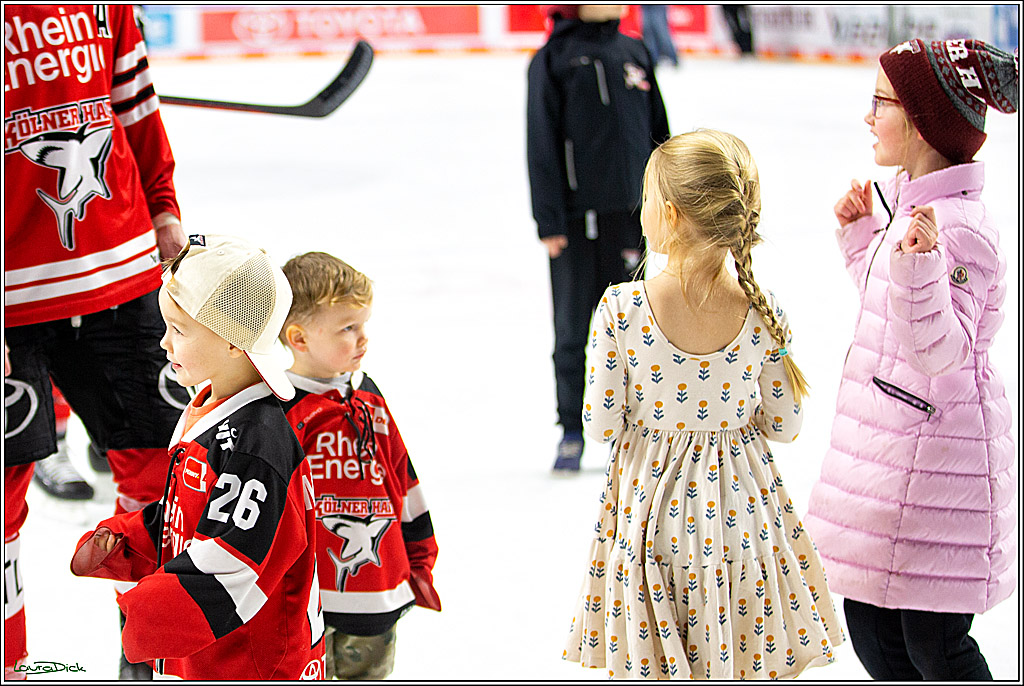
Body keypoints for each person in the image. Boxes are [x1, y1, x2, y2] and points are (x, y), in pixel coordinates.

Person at [562, 129, 844, 678]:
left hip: (652, 525)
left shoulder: (622, 310)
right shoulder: (761, 312)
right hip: (742, 522)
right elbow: (785, 425)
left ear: (666, 213)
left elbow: (599, 424)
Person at [804, 39, 1018, 680]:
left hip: (934, 472)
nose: (868, 117)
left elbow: (939, 351)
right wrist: (863, 243)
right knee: (874, 636)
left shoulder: (959, 229)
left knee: (933, 646)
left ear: (923, 119)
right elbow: (894, 322)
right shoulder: (912, 208)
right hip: (886, 457)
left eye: (881, 103)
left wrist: (918, 264)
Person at [3, 4, 190, 679]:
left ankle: (152, 656)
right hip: (10, 300)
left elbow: (135, 105)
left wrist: (164, 204)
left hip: (119, 275)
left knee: (164, 477)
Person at [69, 234, 326, 679]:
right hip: (207, 651)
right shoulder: (211, 408)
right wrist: (127, 541)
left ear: (233, 341)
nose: (164, 344)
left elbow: (236, 558)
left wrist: (149, 610)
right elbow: (189, 514)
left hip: (251, 663)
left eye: (179, 330)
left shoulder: (256, 443)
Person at [278, 251, 441, 680]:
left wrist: (420, 557)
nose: (363, 338)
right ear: (299, 338)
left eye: (363, 325)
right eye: (348, 329)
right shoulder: (276, 411)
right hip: (300, 599)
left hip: (375, 591)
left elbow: (402, 477)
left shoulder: (368, 397)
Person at [527, 4, 670, 472]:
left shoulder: (634, 51)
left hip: (631, 217)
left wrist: (666, 206)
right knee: (572, 331)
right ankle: (571, 428)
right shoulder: (552, 59)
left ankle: (636, 425)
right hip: (573, 223)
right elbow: (541, 142)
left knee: (637, 330)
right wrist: (549, 221)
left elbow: (660, 136)